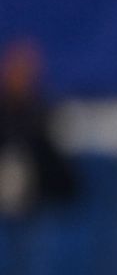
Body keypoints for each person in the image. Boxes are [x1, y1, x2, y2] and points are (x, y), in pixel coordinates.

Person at [0, 38, 78, 220]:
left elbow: (66, 180)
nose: (18, 77)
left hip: (37, 196)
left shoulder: (45, 115)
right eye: (14, 70)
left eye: (24, 71)